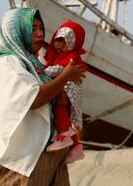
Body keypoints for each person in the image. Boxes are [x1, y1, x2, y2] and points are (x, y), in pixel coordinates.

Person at [0, 8, 86, 185]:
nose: (40, 34)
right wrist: (65, 76)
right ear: (16, 31)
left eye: (41, 28)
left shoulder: (36, 66)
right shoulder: (8, 64)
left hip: (50, 155)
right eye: (32, 28)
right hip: (24, 161)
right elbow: (34, 99)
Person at [42, 21, 87, 164]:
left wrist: (43, 71)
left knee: (59, 108)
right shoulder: (61, 56)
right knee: (66, 118)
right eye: (58, 41)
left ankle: (63, 136)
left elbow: (61, 69)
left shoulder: (71, 57)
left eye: (65, 42)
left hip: (67, 89)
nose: (60, 46)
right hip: (66, 87)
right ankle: (76, 146)